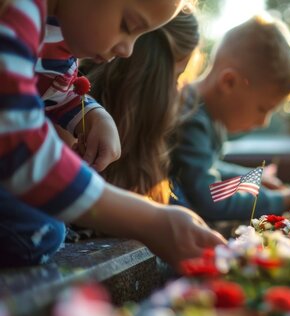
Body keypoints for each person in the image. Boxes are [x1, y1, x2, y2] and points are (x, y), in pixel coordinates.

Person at [0, 0, 225, 268]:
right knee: (41, 229)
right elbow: (209, 193)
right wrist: (149, 221)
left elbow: (55, 87)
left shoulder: (52, 33)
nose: (128, 50)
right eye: (127, 26)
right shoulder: (22, 15)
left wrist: (94, 113)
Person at [170, 15, 290, 221]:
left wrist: (251, 178)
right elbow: (212, 199)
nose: (264, 122)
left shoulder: (206, 113)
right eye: (263, 108)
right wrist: (288, 197)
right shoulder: (191, 118)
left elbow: (209, 167)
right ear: (229, 82)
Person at [85, 10, 201, 204]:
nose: (177, 92)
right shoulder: (73, 115)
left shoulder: (139, 145)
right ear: (150, 75)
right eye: (175, 78)